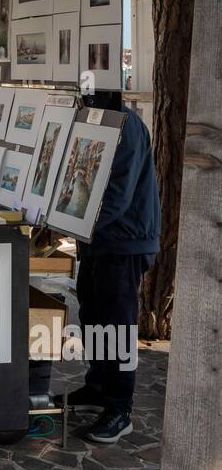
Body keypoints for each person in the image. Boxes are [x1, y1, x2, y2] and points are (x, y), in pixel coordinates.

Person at [54, 91, 160, 445]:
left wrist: (67, 223)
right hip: (99, 240)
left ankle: (120, 408)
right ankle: (98, 386)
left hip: (124, 242)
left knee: (118, 326)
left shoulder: (126, 127)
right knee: (93, 314)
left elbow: (117, 196)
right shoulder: (93, 120)